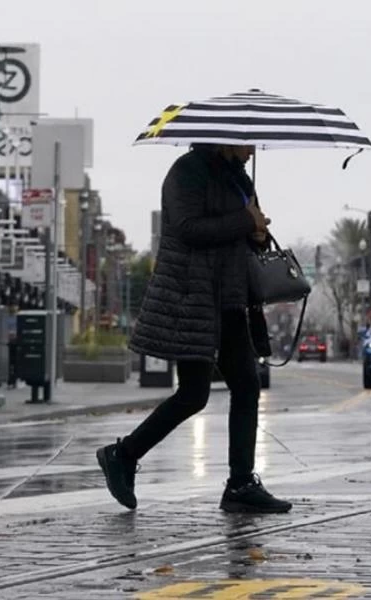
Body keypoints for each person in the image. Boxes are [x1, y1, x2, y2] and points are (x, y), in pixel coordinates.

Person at [96, 143, 291, 514]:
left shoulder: (239, 179)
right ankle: (122, 455)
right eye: (246, 141)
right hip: (194, 296)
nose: (252, 149)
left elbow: (243, 231)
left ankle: (240, 483)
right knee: (194, 393)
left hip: (231, 297)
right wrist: (243, 221)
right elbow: (186, 229)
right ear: (224, 139)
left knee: (248, 385)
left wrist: (257, 232)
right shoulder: (186, 171)